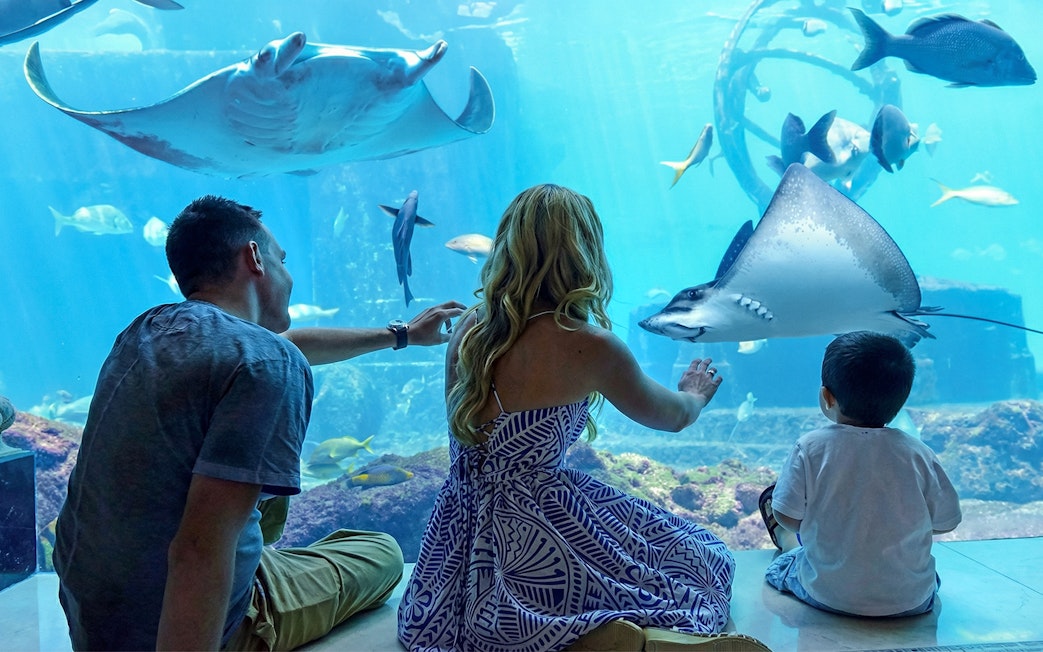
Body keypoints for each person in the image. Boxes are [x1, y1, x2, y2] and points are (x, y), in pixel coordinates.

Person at [52, 195, 465, 651]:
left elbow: (287, 344)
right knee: (380, 552)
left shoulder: (147, 330)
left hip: (94, 616)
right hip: (182, 624)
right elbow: (197, 552)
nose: (289, 277)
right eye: (282, 261)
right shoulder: (269, 363)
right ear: (253, 257)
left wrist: (401, 335)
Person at [397, 184, 769, 652]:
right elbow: (670, 417)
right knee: (700, 560)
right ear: (584, 252)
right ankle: (599, 633)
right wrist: (693, 395)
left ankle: (568, 633)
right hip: (539, 520)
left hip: (458, 530)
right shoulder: (589, 346)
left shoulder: (470, 328)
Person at [760, 330, 962, 617]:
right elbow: (946, 522)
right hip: (910, 601)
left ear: (826, 397)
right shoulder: (919, 454)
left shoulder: (810, 447)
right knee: (929, 578)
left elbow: (788, 517)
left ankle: (786, 543)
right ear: (901, 400)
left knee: (784, 566)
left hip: (828, 596)